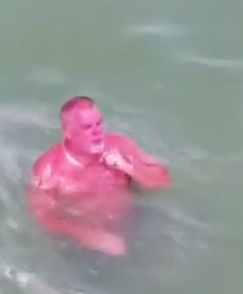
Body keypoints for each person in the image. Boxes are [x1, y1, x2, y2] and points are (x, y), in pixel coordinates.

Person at [26, 96, 171, 287]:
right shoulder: (50, 170)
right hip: (84, 247)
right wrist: (90, 236)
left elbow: (162, 180)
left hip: (132, 229)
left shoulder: (120, 146)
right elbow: (43, 216)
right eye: (87, 127)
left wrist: (128, 168)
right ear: (68, 132)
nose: (97, 133)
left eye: (99, 124)